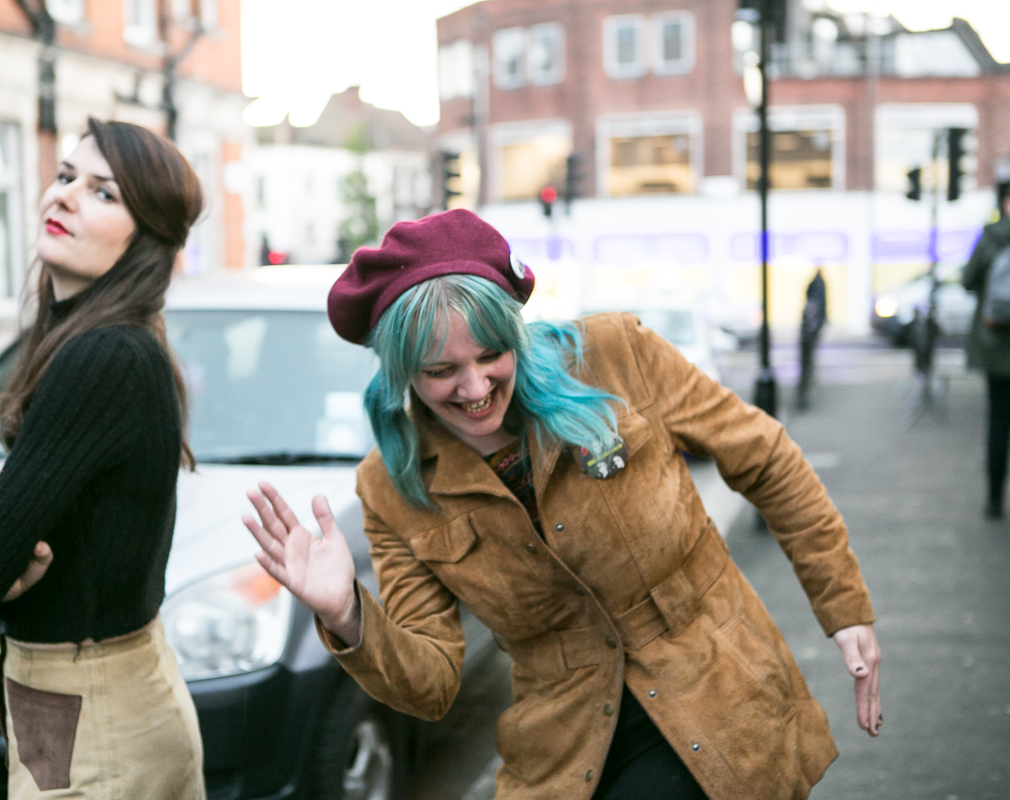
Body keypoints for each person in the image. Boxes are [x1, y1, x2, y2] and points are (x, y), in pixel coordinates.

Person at [242, 210, 882, 800]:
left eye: (492, 355)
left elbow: (765, 457)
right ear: (401, 372)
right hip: (564, 750)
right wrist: (350, 614)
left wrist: (843, 606)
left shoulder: (615, 357)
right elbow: (431, 683)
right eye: (442, 371)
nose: (474, 388)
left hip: (719, 694)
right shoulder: (393, 488)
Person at [0, 119, 206, 799]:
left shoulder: (103, 356)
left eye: (103, 193)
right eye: (64, 177)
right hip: (89, 706)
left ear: (145, 239)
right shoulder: (106, 344)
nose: (62, 197)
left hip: (95, 719)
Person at [961, 185, 1010, 518]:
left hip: (996, 348)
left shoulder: (990, 236)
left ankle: (994, 500)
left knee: (998, 423)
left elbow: (967, 280)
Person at [797, 268, 827, 409]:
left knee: (807, 364)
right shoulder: (818, 285)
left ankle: (803, 393)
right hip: (810, 333)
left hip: (811, 332)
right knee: (807, 364)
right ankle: (803, 394)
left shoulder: (818, 284)